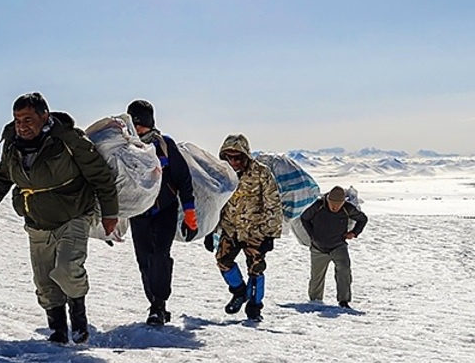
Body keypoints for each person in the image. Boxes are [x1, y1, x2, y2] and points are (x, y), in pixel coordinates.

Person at [0, 93, 120, 344]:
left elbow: (100, 175)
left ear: (45, 116)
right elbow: (2, 177)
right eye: (18, 119)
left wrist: (110, 212)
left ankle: (79, 321)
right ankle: (58, 331)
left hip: (73, 213)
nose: (22, 125)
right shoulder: (12, 144)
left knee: (67, 269)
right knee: (44, 281)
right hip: (37, 221)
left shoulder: (68, 139)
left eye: (28, 119)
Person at [124, 100, 196, 326]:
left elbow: (183, 179)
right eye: (134, 125)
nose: (138, 129)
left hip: (164, 211)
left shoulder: (164, 145)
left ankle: (158, 306)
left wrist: (190, 213)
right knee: (144, 261)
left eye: (141, 124)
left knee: (159, 256)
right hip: (139, 213)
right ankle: (155, 302)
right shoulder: (126, 149)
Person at [207, 134, 282, 322]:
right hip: (230, 229)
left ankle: (255, 307)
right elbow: (214, 203)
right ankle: (239, 292)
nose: (233, 162)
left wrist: (270, 235)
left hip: (256, 231)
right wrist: (210, 230)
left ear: (246, 156)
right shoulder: (220, 173)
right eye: (228, 157)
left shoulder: (261, 173)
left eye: (237, 157)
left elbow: (273, 204)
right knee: (223, 261)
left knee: (256, 268)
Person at [299, 186, 368, 308]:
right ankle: (315, 300)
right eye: (332, 204)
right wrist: (312, 235)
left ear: (343, 202)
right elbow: (304, 218)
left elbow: (362, 219)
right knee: (317, 276)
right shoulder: (318, 206)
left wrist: (354, 233)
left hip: (338, 246)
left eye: (338, 205)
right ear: (328, 200)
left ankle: (344, 301)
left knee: (344, 271)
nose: (335, 207)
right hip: (318, 248)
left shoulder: (348, 208)